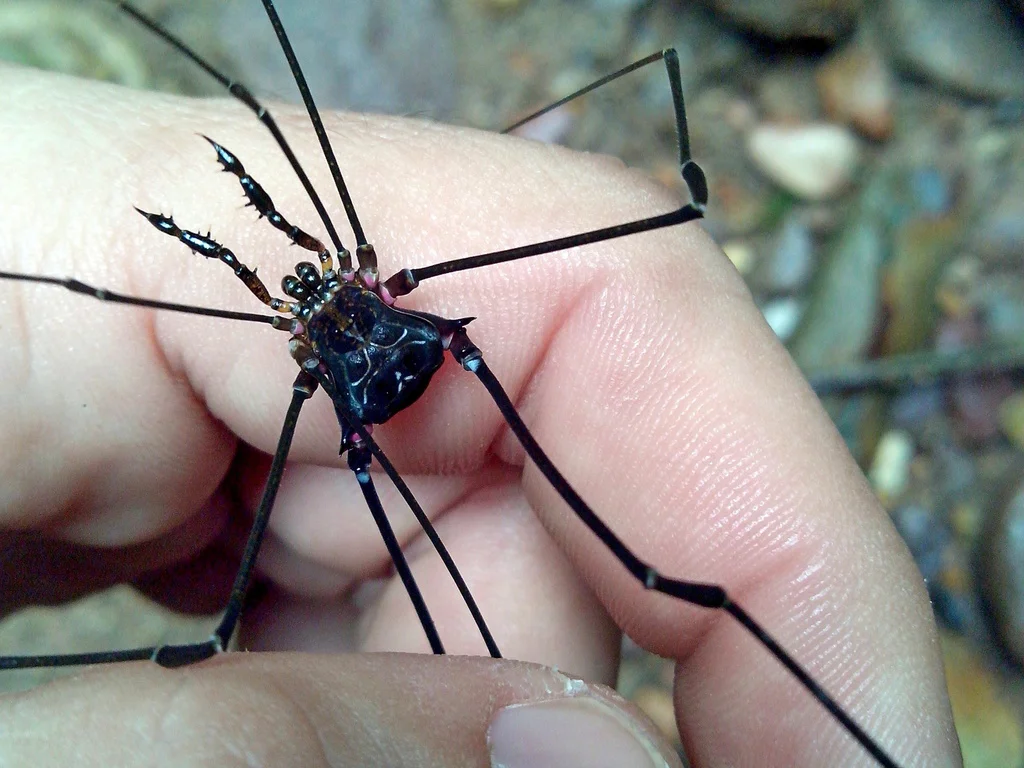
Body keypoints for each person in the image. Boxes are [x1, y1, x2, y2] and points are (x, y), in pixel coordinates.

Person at [0, 65, 960, 767]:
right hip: (405, 364)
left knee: (619, 557)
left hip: (391, 380)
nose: (300, 281)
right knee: (293, 629)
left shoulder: (306, 331)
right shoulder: (348, 283)